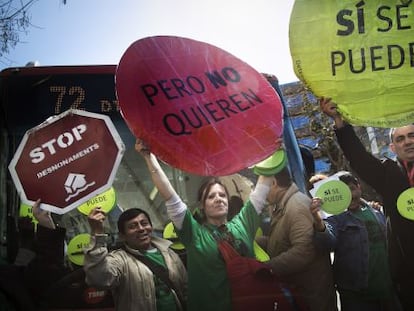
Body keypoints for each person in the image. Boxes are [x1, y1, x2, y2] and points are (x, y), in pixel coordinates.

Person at [136, 139, 281, 311]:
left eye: (222, 195)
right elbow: (169, 195)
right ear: (202, 206)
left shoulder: (244, 223)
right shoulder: (192, 232)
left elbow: (263, 183)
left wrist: (273, 149)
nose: (218, 199)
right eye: (211, 197)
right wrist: (148, 157)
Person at [320, 98, 414, 310]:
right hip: (408, 274)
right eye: (400, 139)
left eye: (411, 135)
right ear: (393, 147)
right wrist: (339, 122)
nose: (407, 141)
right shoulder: (389, 174)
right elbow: (359, 158)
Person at [310, 171, 401, 311]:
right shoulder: (336, 218)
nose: (350, 195)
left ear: (359, 187)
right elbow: (326, 243)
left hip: (387, 291)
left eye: (352, 188)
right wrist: (317, 220)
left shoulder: (376, 211)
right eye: (344, 191)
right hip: (357, 296)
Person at [84, 207, 187, 311]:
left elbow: (185, 289)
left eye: (144, 223)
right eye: (133, 226)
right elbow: (99, 280)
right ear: (122, 236)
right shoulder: (119, 260)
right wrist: (97, 235)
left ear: (151, 227)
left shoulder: (169, 253)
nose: (141, 228)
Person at [263, 165, 337, 311]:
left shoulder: (296, 206)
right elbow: (282, 240)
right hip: (301, 295)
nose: (259, 193)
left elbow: (303, 252)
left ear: (274, 183)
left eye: (261, 187)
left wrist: (266, 268)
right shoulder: (282, 204)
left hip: (311, 298)